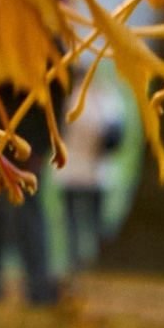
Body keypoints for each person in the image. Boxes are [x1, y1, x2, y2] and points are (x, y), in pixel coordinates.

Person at [0, 82, 59, 304]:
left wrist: (42, 145)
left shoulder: (46, 63)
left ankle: (38, 285)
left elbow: (55, 95)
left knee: (25, 215)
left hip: (24, 147)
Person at [51, 75, 122, 271]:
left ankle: (89, 261)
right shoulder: (103, 99)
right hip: (79, 169)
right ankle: (78, 262)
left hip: (90, 170)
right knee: (77, 219)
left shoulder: (105, 99)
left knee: (87, 219)